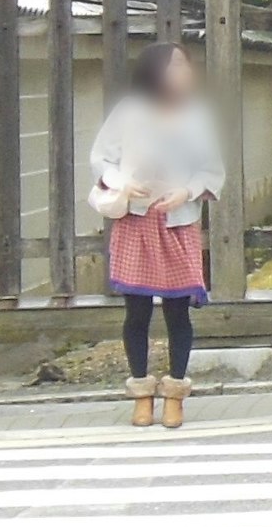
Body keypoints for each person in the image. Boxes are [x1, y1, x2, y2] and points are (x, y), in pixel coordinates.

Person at [90, 42, 227, 428]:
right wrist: (122, 182)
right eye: (177, 63)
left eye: (185, 64)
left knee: (178, 311)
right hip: (135, 220)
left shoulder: (197, 115)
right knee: (136, 311)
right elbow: (102, 159)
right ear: (156, 70)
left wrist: (186, 191)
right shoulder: (130, 111)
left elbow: (211, 167)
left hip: (177, 220)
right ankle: (141, 394)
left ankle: (176, 395)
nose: (185, 70)